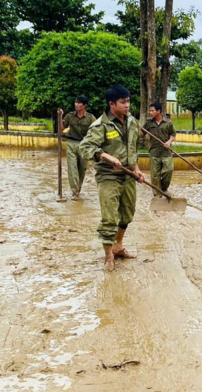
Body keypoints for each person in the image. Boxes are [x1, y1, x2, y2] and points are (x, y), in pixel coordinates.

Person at [79, 85, 145, 272]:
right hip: (108, 176)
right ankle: (108, 256)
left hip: (128, 175)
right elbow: (85, 147)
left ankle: (118, 246)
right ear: (111, 104)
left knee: (127, 214)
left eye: (128, 101)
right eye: (123, 102)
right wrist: (107, 157)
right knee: (109, 218)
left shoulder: (132, 121)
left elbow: (132, 149)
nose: (127, 105)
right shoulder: (100, 125)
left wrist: (137, 169)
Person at [62, 96, 96, 200]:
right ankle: (75, 192)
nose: (76, 104)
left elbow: (95, 131)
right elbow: (62, 128)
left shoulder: (90, 118)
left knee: (82, 168)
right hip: (71, 143)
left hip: (84, 145)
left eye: (79, 103)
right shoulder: (70, 116)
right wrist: (60, 117)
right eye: (76, 102)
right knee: (72, 168)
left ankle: (78, 189)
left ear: (84, 105)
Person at [142, 102, 177, 197]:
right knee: (155, 175)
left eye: (152, 111)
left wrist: (169, 142)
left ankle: (164, 189)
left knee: (168, 170)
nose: (150, 112)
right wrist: (140, 130)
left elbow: (173, 134)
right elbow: (141, 134)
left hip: (166, 152)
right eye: (150, 111)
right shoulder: (148, 123)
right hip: (154, 152)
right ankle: (157, 195)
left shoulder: (168, 122)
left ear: (159, 111)